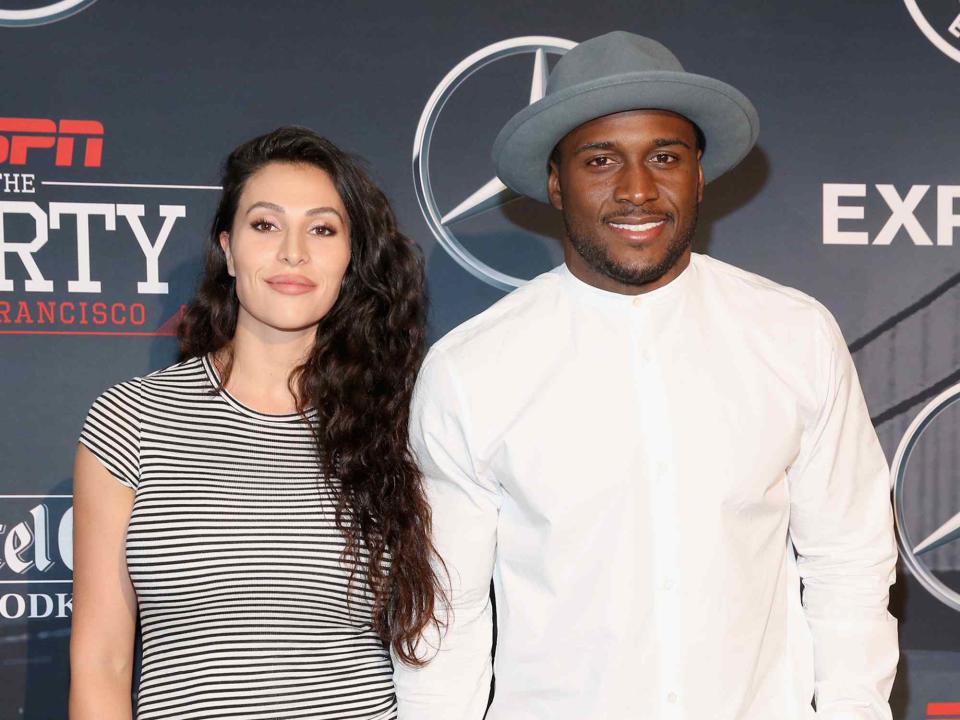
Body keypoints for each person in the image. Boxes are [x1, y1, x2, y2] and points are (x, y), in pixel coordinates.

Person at [394, 31, 898, 720]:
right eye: (600, 161)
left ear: (699, 175)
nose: (637, 189)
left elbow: (849, 564)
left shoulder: (794, 335)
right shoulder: (470, 369)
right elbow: (443, 614)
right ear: (554, 182)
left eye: (665, 157)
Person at [70, 127, 443, 720]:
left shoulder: (400, 423)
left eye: (322, 229)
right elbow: (101, 658)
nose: (293, 252)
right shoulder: (134, 417)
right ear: (228, 247)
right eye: (265, 225)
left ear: (350, 259)